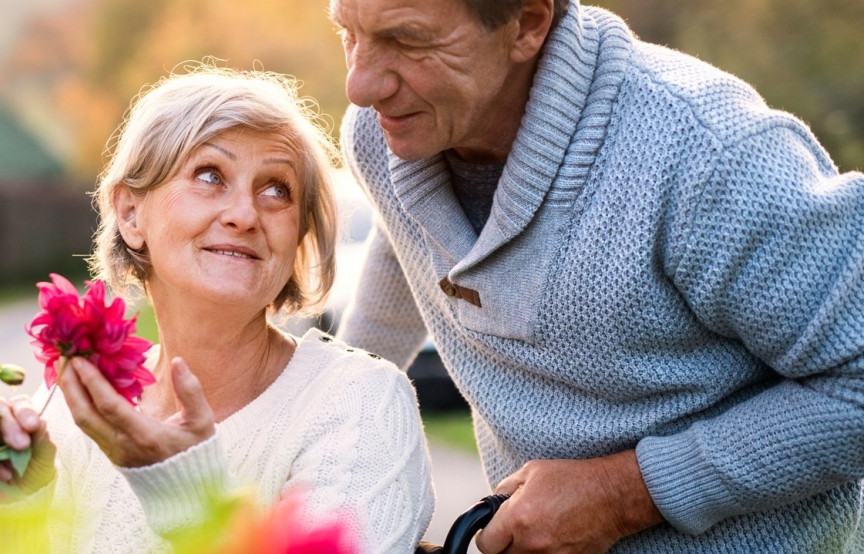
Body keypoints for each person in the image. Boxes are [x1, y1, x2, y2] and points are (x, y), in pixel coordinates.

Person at [330, 0, 864, 551]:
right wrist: (329, 417)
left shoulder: (712, 154)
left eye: (409, 40)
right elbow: (410, 240)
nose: (360, 85)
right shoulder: (383, 133)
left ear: (528, 24)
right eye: (348, 33)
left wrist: (624, 494)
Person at [0, 67, 437, 553]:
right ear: (130, 214)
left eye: (277, 189)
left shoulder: (360, 404)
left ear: (297, 236)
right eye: (210, 176)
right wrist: (16, 516)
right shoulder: (74, 410)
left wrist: (193, 501)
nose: (245, 214)